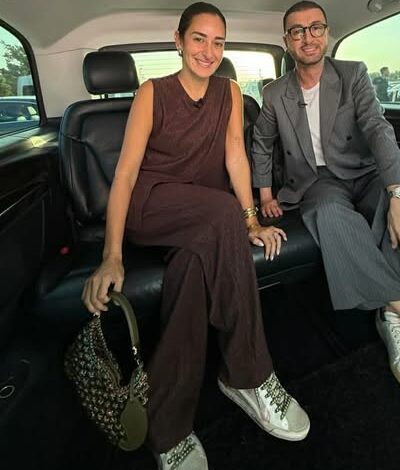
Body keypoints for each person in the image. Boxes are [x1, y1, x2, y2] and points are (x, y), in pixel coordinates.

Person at [82, 3, 310, 469]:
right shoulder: (152, 93)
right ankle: (250, 374)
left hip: (205, 218)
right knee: (222, 211)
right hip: (154, 206)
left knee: (190, 273)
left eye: (218, 42)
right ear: (179, 41)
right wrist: (112, 254)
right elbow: (125, 175)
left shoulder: (229, 92)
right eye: (199, 39)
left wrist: (251, 221)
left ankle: (167, 428)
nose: (209, 51)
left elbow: (235, 157)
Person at [252, 1, 400, 419]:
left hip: (361, 171)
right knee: (328, 213)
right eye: (297, 31)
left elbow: (378, 128)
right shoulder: (274, 93)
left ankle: (388, 315)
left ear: (326, 33)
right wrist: (266, 194)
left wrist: (399, 194)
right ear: (286, 41)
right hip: (316, 181)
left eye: (315, 28)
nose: (308, 37)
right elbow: (261, 144)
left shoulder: (353, 74)